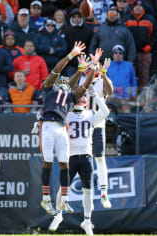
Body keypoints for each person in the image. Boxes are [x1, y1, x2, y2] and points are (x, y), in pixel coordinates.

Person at [37, 42, 102, 216]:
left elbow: (86, 84)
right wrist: (71, 55)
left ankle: (64, 201)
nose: (66, 81)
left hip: (60, 128)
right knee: (48, 163)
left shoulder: (71, 96)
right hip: (48, 124)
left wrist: (93, 67)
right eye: (64, 80)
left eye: (68, 81)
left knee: (65, 164)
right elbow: (57, 70)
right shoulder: (49, 88)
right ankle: (45, 199)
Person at [48, 86, 110, 235]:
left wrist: (95, 95)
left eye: (83, 98)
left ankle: (87, 221)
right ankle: (58, 214)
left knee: (88, 191)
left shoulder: (90, 114)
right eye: (78, 97)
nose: (81, 99)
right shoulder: (66, 114)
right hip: (70, 156)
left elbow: (106, 112)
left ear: (86, 102)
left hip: (86, 157)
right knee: (63, 188)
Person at [78, 56, 114, 209]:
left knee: (99, 158)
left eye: (94, 67)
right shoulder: (81, 81)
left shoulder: (101, 81)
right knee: (82, 159)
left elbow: (110, 91)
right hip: (83, 123)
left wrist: (104, 75)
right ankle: (88, 195)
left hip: (97, 122)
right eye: (90, 67)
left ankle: (104, 193)